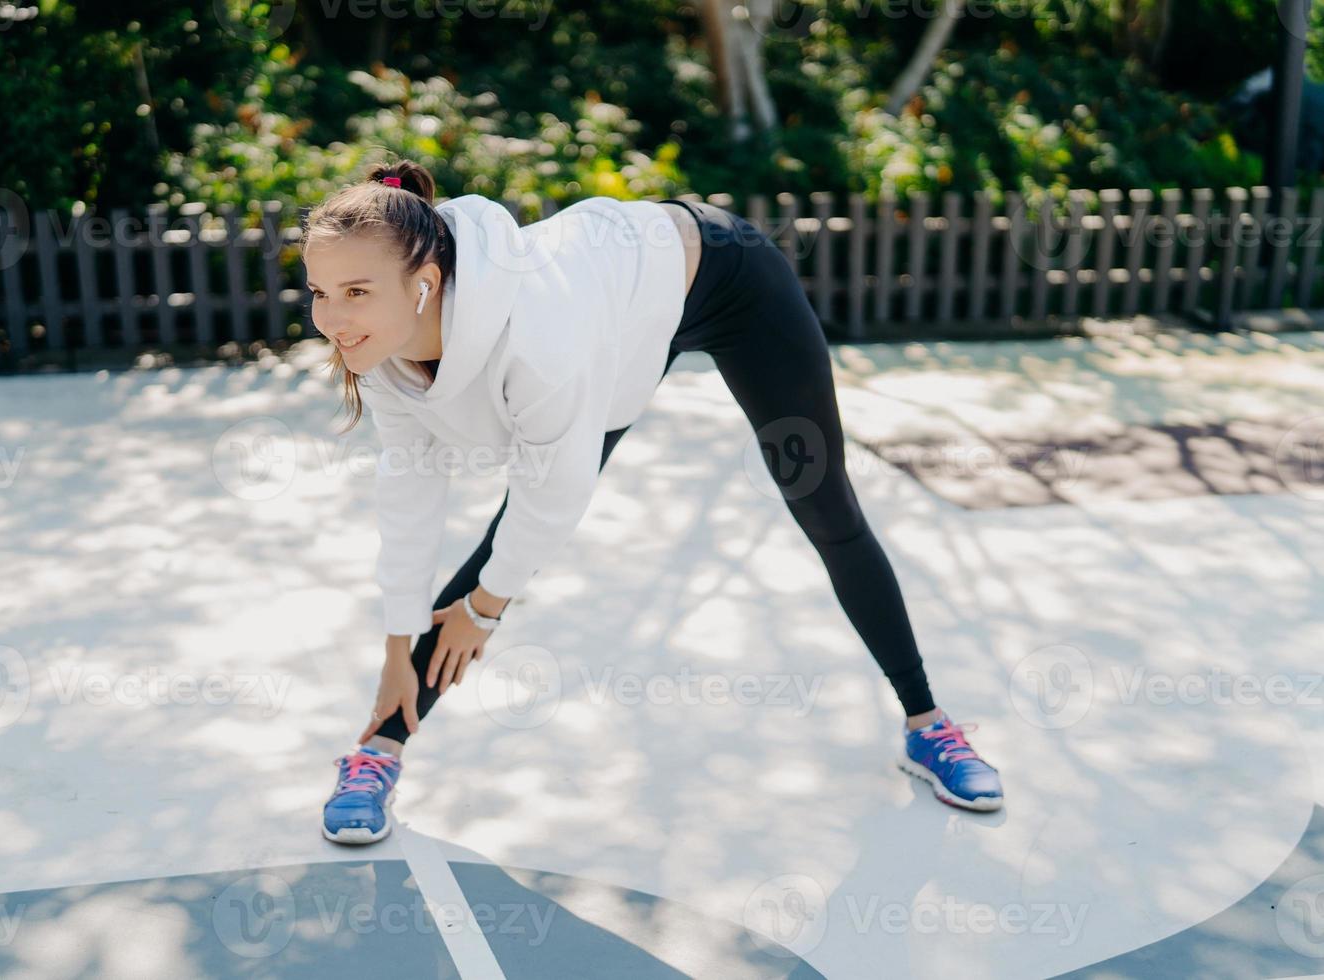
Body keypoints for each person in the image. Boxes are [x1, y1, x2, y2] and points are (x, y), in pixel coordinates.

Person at [303, 160, 1004, 843]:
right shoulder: (385, 349)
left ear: (424, 283)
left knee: (825, 507)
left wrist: (484, 610)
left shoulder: (539, 339)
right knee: (501, 549)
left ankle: (928, 724)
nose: (331, 318)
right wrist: (399, 642)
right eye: (319, 292)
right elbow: (409, 495)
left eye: (356, 293)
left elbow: (556, 498)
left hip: (724, 274)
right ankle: (378, 752)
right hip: (622, 320)